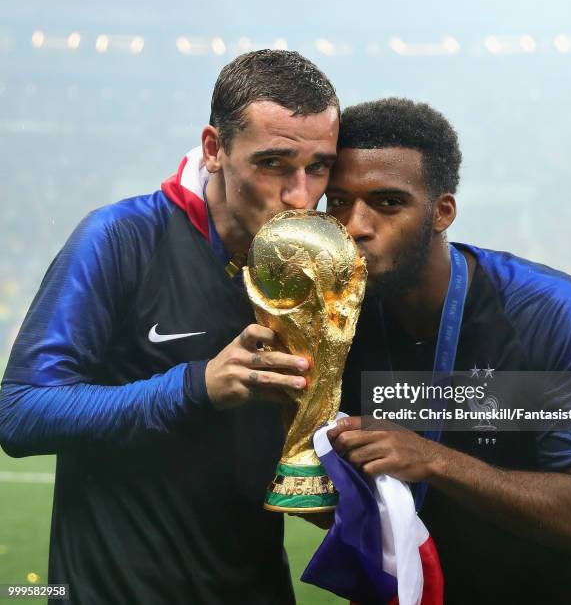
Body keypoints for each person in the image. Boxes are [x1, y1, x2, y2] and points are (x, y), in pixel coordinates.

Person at [0, 49, 339, 605]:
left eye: (318, 167)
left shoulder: (316, 272)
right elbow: (20, 412)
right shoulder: (120, 239)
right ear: (214, 149)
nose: (300, 195)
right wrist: (194, 386)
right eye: (273, 163)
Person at [324, 98, 571, 605]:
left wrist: (434, 459)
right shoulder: (334, 319)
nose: (355, 226)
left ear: (442, 211)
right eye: (339, 203)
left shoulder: (546, 313)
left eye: (388, 203)